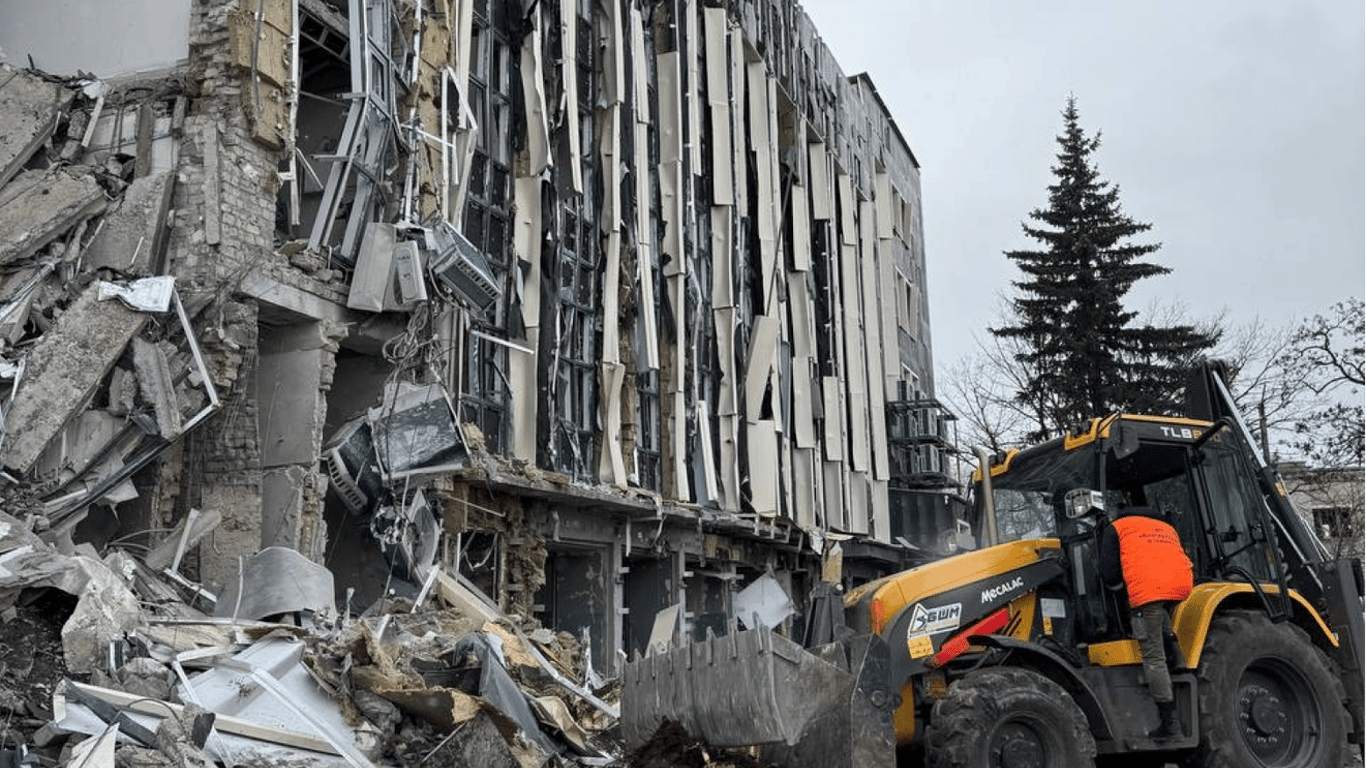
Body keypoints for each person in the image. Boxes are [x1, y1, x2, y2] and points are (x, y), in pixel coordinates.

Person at [1099, 506, 1194, 741]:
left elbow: (1108, 571)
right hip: (1179, 585)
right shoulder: (1164, 526)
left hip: (1148, 592)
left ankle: (1170, 726)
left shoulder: (1117, 527)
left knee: (1153, 657)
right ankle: (1178, 658)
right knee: (1160, 616)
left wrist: (1119, 590)